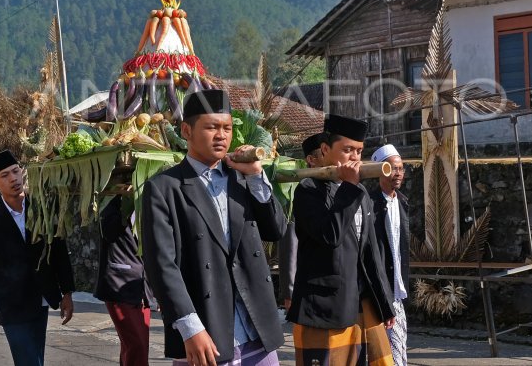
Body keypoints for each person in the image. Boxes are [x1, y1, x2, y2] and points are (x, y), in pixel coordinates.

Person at [142, 89, 287, 366]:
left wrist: (257, 176)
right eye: (211, 127)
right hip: (205, 330)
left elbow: (275, 229)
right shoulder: (164, 188)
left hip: (256, 329)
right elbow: (162, 264)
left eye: (227, 128)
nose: (221, 135)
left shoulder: (243, 178)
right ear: (186, 130)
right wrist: (189, 327)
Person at [288, 114, 395, 366]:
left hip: (363, 303)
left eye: (359, 151)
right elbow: (330, 235)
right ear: (325, 149)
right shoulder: (308, 190)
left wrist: (384, 301)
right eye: (347, 150)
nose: (355, 157)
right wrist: (348, 187)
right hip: (325, 307)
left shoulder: (360, 193)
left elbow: (370, 252)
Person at [0, 150, 76, 366]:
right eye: (5, 175)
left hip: (41, 298)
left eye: (16, 172)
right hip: (12, 305)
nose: (13, 179)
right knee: (28, 361)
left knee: (36, 357)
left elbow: (58, 251)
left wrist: (67, 292)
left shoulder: (42, 209)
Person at [94, 194, 154, 366]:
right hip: (118, 284)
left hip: (143, 288)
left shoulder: (147, 199)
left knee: (135, 348)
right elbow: (109, 232)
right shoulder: (111, 200)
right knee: (137, 347)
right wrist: (125, 202)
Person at [370, 144, 410, 366]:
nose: (397, 174)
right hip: (379, 291)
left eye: (401, 168)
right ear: (380, 171)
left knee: (399, 349)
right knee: (386, 354)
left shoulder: (402, 202)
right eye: (392, 168)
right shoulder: (369, 204)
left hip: (397, 292)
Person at [279, 132, 323, 311]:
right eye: (324, 153)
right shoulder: (302, 191)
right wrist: (289, 292)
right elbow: (290, 243)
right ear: (311, 160)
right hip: (310, 285)